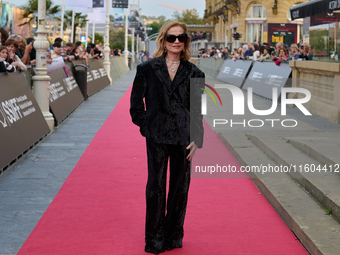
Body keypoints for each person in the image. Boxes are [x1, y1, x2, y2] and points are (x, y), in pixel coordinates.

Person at [130, 20, 204, 254]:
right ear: (163, 40)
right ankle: (154, 239)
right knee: (156, 186)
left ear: (186, 41)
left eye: (181, 37)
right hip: (157, 136)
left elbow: (197, 109)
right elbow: (135, 107)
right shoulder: (147, 70)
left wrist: (197, 137)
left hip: (184, 137)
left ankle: (173, 235)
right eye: (171, 38)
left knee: (180, 188)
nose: (176, 42)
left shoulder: (195, 72)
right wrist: (147, 127)